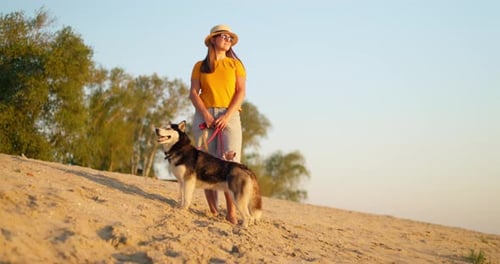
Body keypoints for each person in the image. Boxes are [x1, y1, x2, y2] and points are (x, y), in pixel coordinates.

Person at [189, 24, 246, 225]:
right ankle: (213, 211)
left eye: (230, 38)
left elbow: (240, 92)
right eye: (223, 36)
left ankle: (231, 213)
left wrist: (227, 116)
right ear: (213, 39)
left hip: (229, 115)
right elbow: (194, 93)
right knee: (206, 165)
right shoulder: (199, 66)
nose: (227, 39)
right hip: (204, 116)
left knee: (230, 166)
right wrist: (205, 114)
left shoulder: (236, 65)